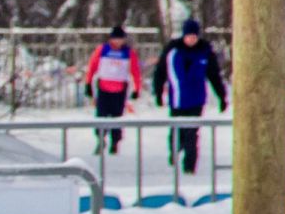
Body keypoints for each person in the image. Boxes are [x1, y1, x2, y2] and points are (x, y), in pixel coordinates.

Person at [151, 17, 227, 174]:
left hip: (196, 99)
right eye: (189, 36)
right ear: (184, 36)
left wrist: (222, 96)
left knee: (192, 133)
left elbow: (214, 75)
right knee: (177, 131)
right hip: (178, 99)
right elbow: (160, 72)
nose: (192, 39)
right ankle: (174, 151)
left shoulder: (205, 51)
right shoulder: (173, 50)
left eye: (194, 36)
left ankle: (189, 166)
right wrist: (158, 93)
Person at [83, 26, 141, 154]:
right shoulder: (102, 50)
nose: (118, 42)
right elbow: (92, 66)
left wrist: (137, 88)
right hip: (104, 88)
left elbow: (135, 71)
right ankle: (100, 139)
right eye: (116, 39)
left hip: (120, 89)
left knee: (117, 117)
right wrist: (88, 83)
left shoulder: (128, 53)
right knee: (101, 115)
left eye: (120, 39)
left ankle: (115, 142)